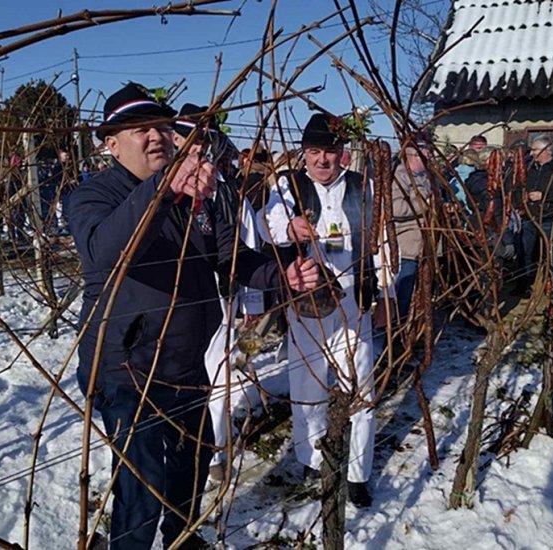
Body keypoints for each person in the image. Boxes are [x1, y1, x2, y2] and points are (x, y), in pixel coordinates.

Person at [68, 83, 318, 549]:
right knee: (142, 487)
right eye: (140, 129)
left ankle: (182, 538)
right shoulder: (94, 196)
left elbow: (230, 257)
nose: (156, 136)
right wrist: (164, 190)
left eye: (161, 126)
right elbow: (107, 251)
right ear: (111, 143)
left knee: (192, 464)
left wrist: (282, 273)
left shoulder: (198, 197)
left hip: (185, 365)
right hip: (126, 371)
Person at [261, 113, 393, 508]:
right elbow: (268, 222)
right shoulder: (290, 187)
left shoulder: (363, 187)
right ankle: (313, 461)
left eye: (330, 152)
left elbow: (383, 240)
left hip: (354, 307)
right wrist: (289, 229)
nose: (322, 160)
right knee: (307, 390)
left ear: (344, 155)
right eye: (314, 152)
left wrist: (385, 293)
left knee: (362, 393)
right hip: (307, 310)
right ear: (304, 154)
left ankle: (357, 474)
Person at [172, 103, 265, 482]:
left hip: (221, 299)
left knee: (218, 375)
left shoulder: (228, 193)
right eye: (187, 141)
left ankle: (213, 452)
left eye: (204, 142)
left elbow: (247, 244)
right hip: (172, 305)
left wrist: (253, 302)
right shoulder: (159, 190)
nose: (198, 151)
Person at [516, 135, 553, 290]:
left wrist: (544, 196)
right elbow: (518, 187)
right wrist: (523, 198)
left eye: (534, 150)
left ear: (546, 151)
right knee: (526, 251)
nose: (531, 153)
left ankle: (551, 283)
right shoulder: (529, 167)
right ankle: (524, 283)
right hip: (529, 215)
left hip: (548, 216)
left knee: (550, 252)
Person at [392, 139, 431, 321]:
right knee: (402, 294)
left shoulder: (424, 176)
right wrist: (425, 204)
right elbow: (395, 208)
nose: (430, 157)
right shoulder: (399, 176)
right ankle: (393, 333)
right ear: (412, 156)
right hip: (405, 246)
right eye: (426, 154)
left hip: (422, 246)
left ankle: (408, 328)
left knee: (415, 294)